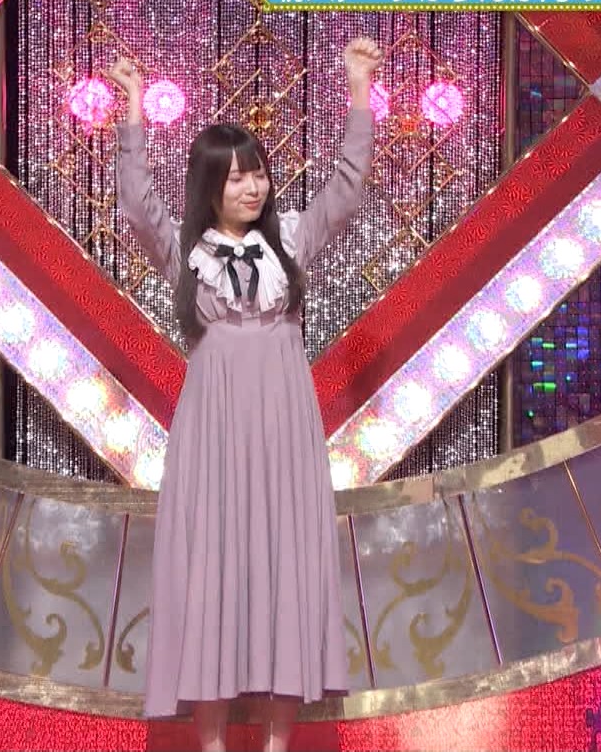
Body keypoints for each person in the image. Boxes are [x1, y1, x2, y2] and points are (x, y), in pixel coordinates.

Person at [106, 37, 383, 752]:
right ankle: (211, 741)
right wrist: (132, 109)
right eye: (234, 179)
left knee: (287, 557)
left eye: (256, 173)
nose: (250, 188)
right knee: (212, 561)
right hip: (215, 421)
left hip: (285, 417)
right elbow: (137, 204)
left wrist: (358, 90)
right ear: (210, 187)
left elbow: (346, 188)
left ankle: (278, 740)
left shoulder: (289, 238)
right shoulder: (185, 250)